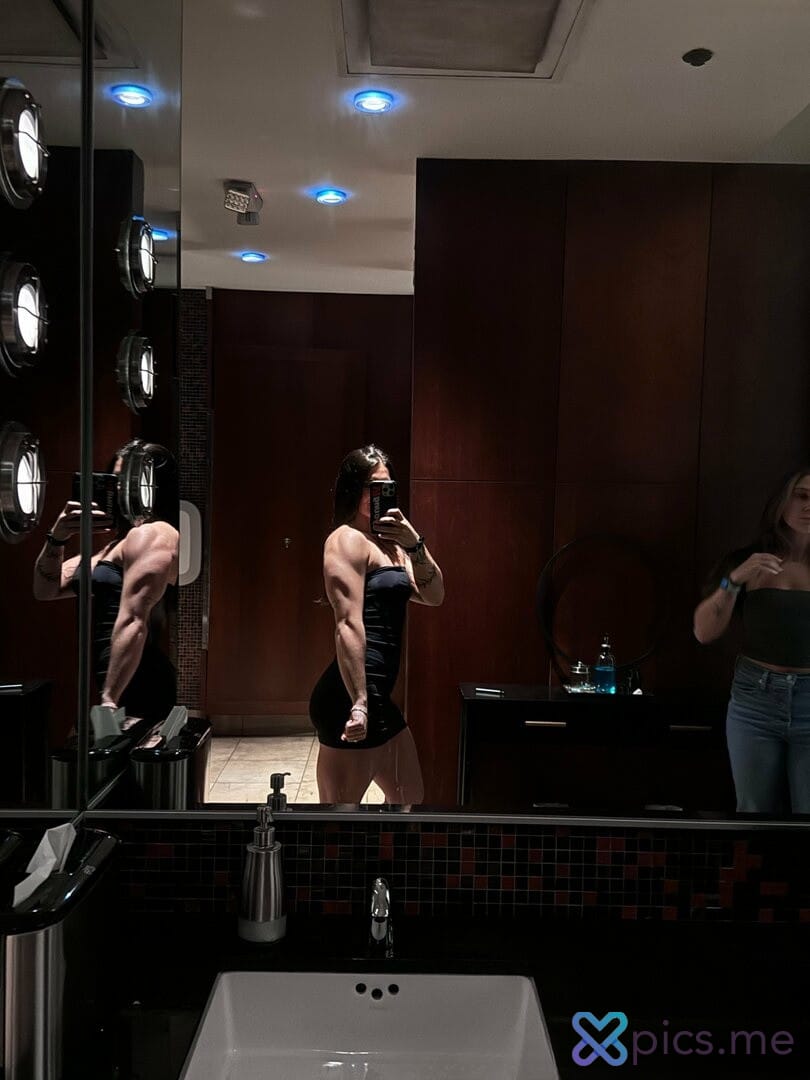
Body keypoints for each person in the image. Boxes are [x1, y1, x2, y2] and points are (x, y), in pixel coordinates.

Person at [309, 444, 444, 804]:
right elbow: (347, 624)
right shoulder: (346, 540)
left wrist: (414, 542)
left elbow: (435, 595)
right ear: (353, 490)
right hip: (349, 695)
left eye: (387, 486)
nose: (380, 494)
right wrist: (360, 702)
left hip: (378, 696)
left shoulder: (392, 547)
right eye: (372, 486)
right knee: (339, 814)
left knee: (409, 798)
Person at [33, 440, 179, 727]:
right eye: (114, 480)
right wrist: (57, 537)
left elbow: (135, 619)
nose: (118, 489)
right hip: (117, 684)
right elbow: (46, 589)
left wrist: (110, 699)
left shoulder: (152, 534)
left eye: (128, 481)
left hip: (138, 685)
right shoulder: (115, 546)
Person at [693, 468, 810, 813]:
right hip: (756, 699)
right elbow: (703, 632)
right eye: (802, 496)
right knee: (753, 812)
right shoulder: (748, 561)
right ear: (782, 502)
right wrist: (733, 581)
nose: (808, 507)